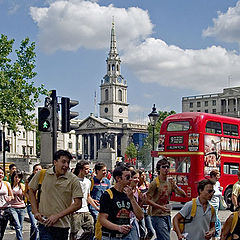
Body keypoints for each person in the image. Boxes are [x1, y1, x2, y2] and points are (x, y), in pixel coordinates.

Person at [29, 150, 83, 240]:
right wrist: (35, 211)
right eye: (63, 162)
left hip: (62, 226)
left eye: (68, 162)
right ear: (55, 162)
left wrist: (57, 216)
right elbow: (31, 190)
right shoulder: (42, 174)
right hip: (44, 224)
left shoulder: (73, 179)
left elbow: (78, 204)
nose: (66, 165)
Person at [98, 164, 144, 240]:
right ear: (118, 178)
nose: (130, 180)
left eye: (131, 177)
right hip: (111, 236)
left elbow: (140, 216)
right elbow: (102, 219)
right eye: (127, 177)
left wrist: (132, 198)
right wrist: (118, 228)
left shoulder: (129, 194)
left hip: (126, 236)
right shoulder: (108, 195)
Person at [146, 158, 186, 240]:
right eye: (163, 167)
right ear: (159, 169)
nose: (166, 169)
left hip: (167, 214)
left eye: (167, 167)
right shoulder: (155, 183)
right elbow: (147, 199)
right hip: (157, 215)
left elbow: (183, 195)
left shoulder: (170, 182)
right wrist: (160, 207)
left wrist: (174, 186)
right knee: (165, 238)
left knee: (162, 237)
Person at [70, 160, 99, 240]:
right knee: (75, 232)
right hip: (75, 211)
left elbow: (88, 196)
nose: (88, 171)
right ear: (80, 169)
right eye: (86, 169)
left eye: (89, 169)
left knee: (90, 229)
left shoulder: (88, 181)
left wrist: (96, 207)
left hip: (85, 209)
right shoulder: (72, 180)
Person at [24, 163, 42, 240]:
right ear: (33, 171)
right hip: (31, 205)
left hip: (41, 205)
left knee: (36, 226)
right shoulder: (28, 181)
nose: (38, 171)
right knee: (34, 224)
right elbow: (26, 192)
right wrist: (30, 200)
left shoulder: (43, 180)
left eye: (39, 170)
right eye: (36, 169)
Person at [9, 169, 26, 240]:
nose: (17, 179)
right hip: (13, 207)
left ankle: (18, 238)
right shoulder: (9, 186)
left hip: (22, 207)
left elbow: (25, 195)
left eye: (19, 177)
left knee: (21, 226)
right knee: (18, 225)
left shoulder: (22, 186)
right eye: (16, 177)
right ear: (13, 177)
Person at [138, 169, 154, 240]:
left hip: (147, 209)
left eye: (144, 175)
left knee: (151, 231)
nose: (143, 177)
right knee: (142, 231)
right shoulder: (136, 186)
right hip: (140, 209)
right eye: (142, 175)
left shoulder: (147, 184)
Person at [0, 166, 13, 240]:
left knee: (2, 231)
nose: (0, 175)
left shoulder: (7, 184)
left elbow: (12, 196)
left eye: (2, 173)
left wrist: (9, 198)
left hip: (5, 210)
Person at [209, 170, 222, 240]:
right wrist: (219, 192)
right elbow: (212, 193)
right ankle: (216, 235)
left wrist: (221, 190)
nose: (219, 177)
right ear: (213, 176)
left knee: (214, 220)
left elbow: (218, 192)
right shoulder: (210, 183)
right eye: (217, 175)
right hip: (211, 204)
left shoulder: (217, 183)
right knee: (216, 220)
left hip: (217, 204)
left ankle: (214, 235)